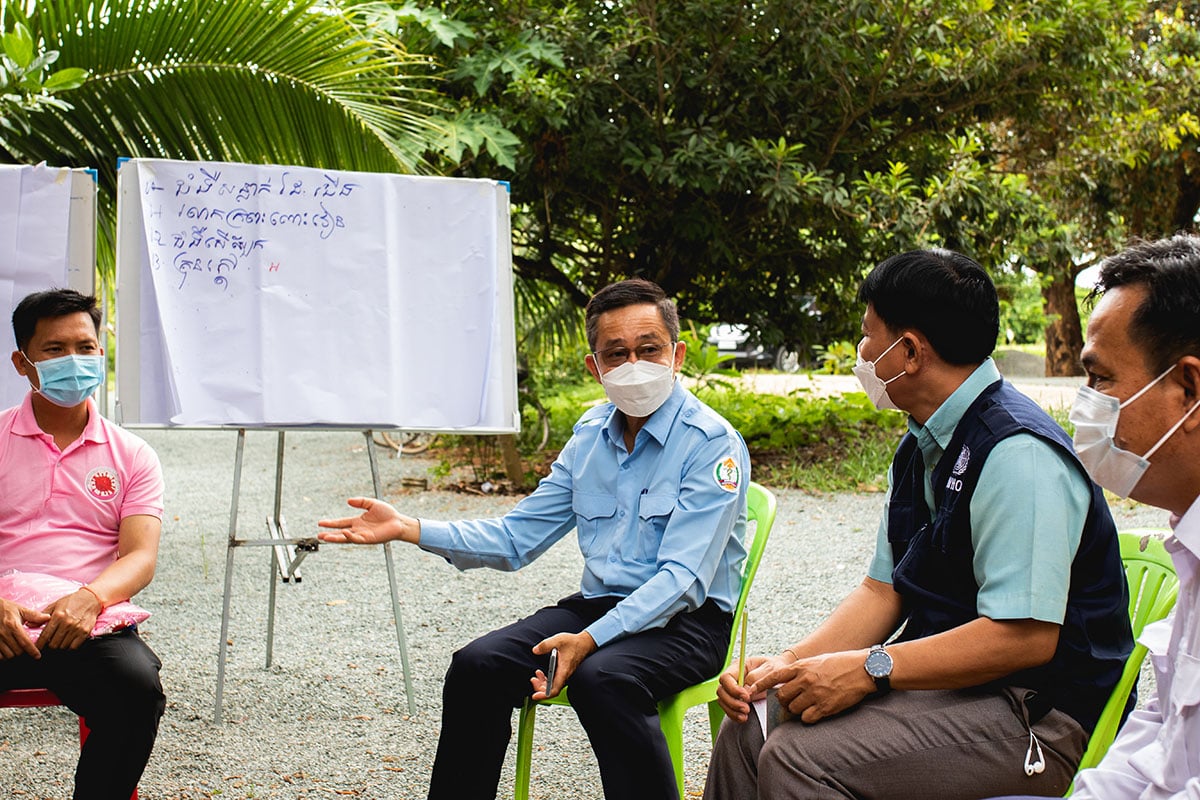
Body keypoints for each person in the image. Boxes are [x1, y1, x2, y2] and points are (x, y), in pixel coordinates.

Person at [704, 249, 1134, 800]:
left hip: (1038, 716)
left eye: (867, 336)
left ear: (908, 352)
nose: (861, 353)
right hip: (952, 690)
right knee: (751, 725)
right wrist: (789, 664)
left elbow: (1023, 638)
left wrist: (869, 667)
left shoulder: (1017, 454)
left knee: (800, 759)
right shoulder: (921, 445)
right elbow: (882, 591)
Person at [318, 278, 751, 800]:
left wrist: (589, 641)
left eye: (649, 349)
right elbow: (515, 537)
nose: (634, 364)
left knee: (603, 679)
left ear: (676, 355)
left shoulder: (710, 443)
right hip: (600, 606)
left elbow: (682, 580)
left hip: (688, 622)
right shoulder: (590, 436)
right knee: (476, 666)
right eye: (617, 354)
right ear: (595, 367)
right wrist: (409, 528)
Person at [988, 234, 1200, 799]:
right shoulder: (1189, 542)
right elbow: (1162, 734)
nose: (1085, 403)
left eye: (1101, 378)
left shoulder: (1015, 447)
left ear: (1189, 388)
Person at [0, 289, 166, 800]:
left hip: (84, 623)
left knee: (136, 690)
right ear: (23, 363)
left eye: (85, 347)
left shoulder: (133, 454)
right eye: (54, 350)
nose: (74, 361)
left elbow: (140, 556)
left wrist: (90, 598)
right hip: (1, 617)